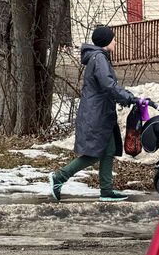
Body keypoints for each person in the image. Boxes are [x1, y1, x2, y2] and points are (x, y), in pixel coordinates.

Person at [52, 24, 137, 202]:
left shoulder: (100, 58)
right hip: (97, 113)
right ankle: (59, 177)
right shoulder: (99, 58)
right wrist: (129, 97)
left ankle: (106, 190)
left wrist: (124, 98)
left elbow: (106, 88)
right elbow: (108, 85)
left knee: (108, 150)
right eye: (113, 39)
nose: (115, 41)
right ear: (106, 42)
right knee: (94, 153)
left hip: (101, 111)